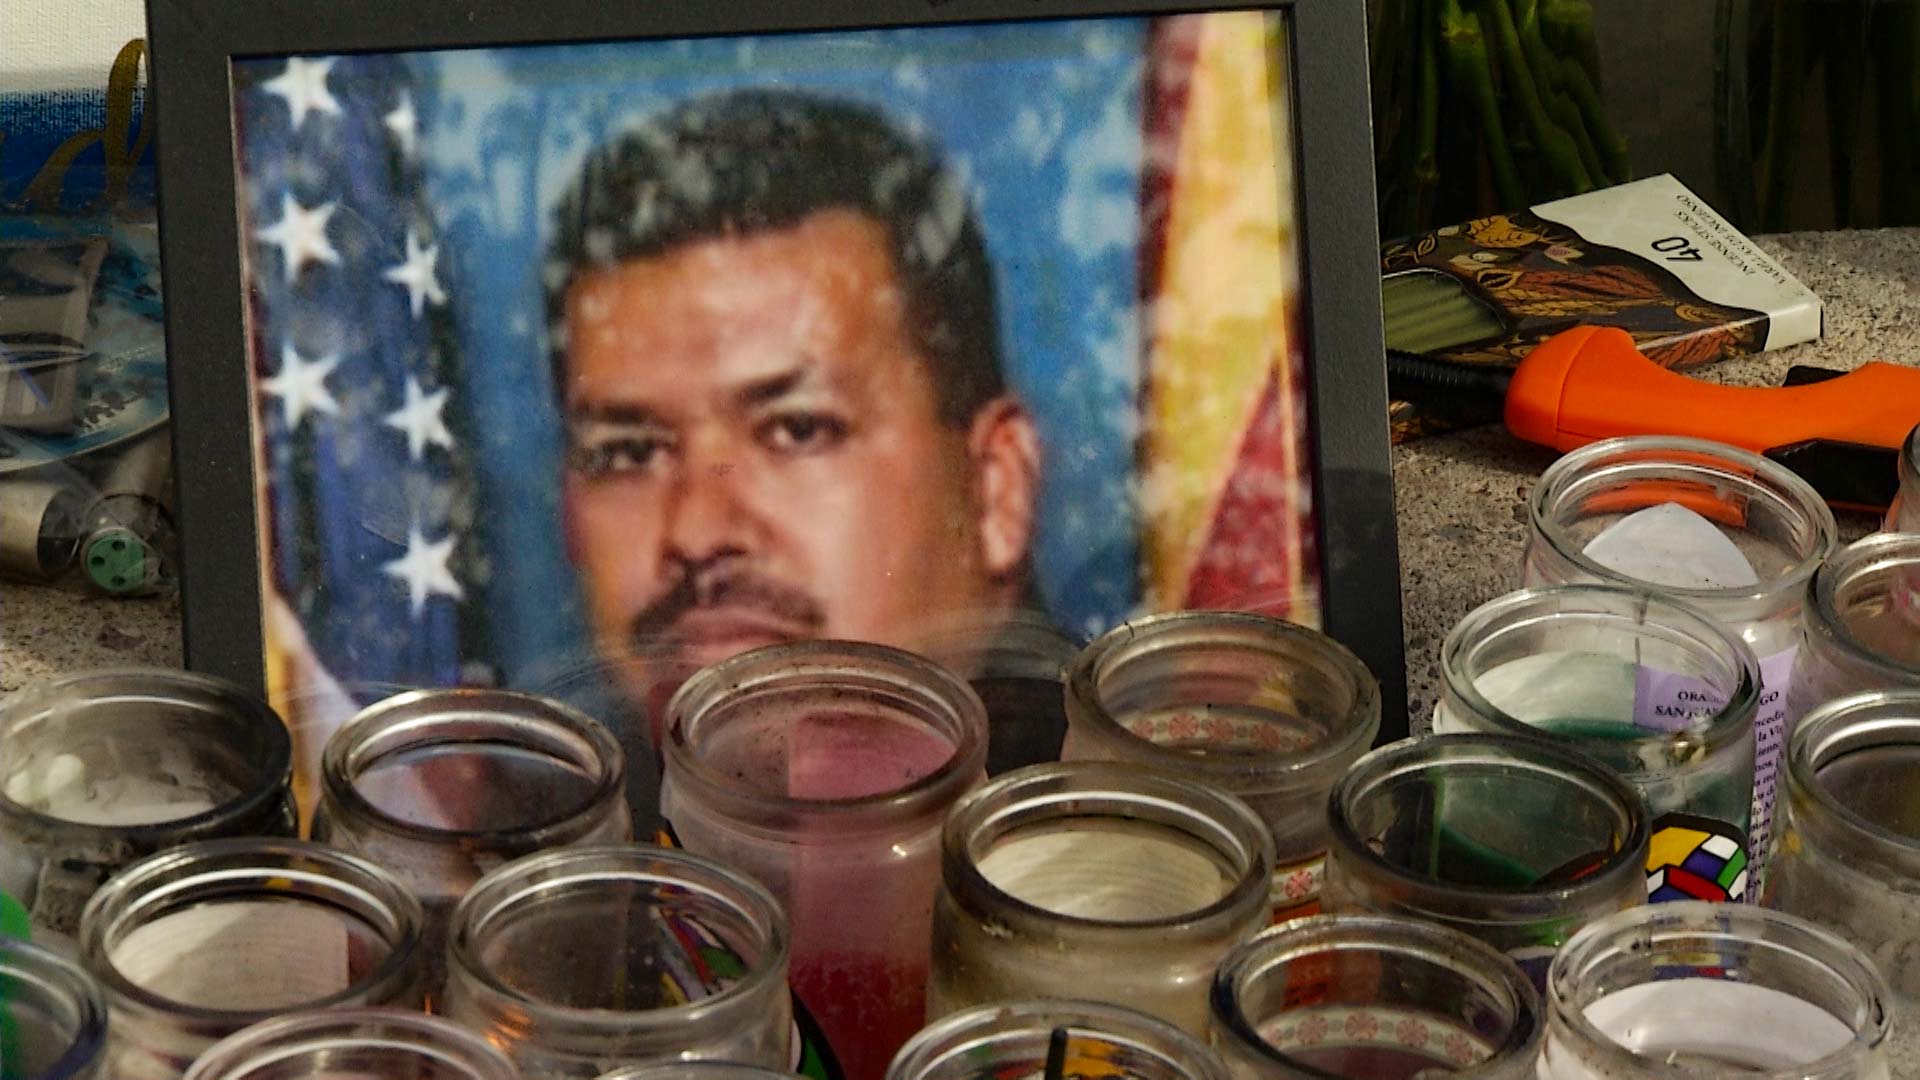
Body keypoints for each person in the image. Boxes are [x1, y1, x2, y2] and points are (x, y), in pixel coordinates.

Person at [543, 88, 1048, 732]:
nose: (696, 532)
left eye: (797, 430)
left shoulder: (1153, 819)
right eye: (630, 452)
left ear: (995, 489)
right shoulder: (516, 822)